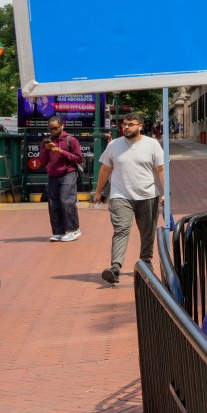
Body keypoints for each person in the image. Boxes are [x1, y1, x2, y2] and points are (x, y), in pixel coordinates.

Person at [92, 113, 164, 285]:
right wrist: (98, 191)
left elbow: (161, 170)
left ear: (140, 126)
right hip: (120, 195)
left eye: (131, 124)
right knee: (121, 230)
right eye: (124, 124)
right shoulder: (114, 145)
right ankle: (115, 268)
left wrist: (166, 193)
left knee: (147, 232)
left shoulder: (152, 144)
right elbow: (104, 170)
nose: (126, 127)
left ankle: (146, 261)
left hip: (148, 195)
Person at [40, 115, 84, 242]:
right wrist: (46, 150)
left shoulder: (71, 140)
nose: (52, 131)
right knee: (53, 204)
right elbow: (42, 160)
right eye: (50, 129)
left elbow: (78, 158)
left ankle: (73, 229)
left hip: (68, 173)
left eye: (55, 128)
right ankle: (58, 232)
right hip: (53, 174)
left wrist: (61, 152)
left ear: (62, 126)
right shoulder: (46, 141)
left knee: (67, 201)